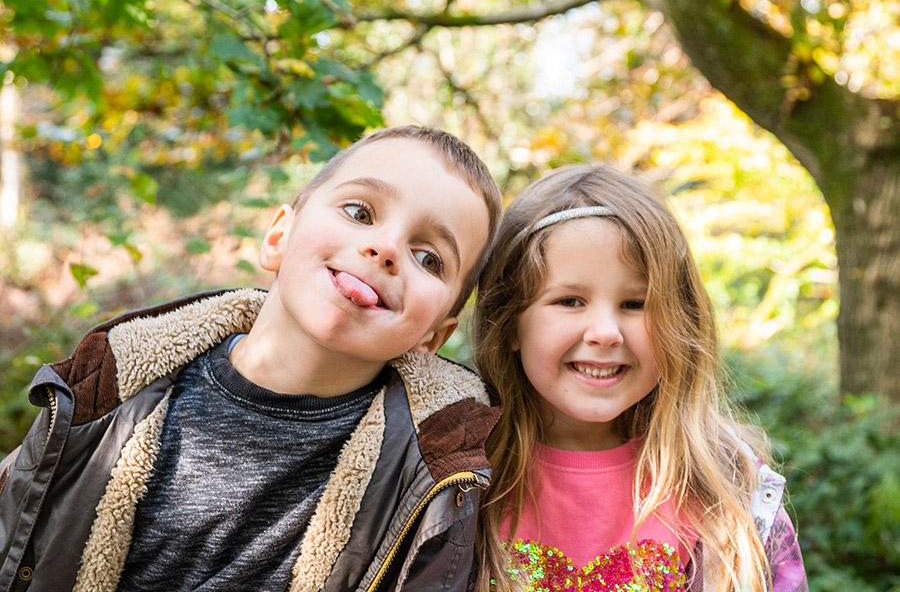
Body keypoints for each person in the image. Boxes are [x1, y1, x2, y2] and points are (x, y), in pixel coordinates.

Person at [0, 125, 504, 592]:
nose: (386, 247)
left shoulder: (432, 474)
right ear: (279, 236)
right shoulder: (108, 392)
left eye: (429, 257)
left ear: (434, 336)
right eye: (359, 212)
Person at [473, 165, 808, 592]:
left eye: (635, 304)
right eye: (570, 300)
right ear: (509, 321)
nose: (606, 333)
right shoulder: (457, 481)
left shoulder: (730, 492)